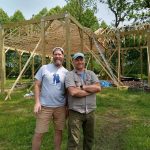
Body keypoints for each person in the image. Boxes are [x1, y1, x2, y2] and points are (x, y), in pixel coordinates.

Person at [32, 47, 68, 150]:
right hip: (44, 106)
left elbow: (67, 91)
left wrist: (67, 107)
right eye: (55, 54)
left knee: (59, 131)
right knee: (39, 132)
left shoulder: (66, 72)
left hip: (60, 107)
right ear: (53, 56)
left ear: (63, 56)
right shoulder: (44, 68)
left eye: (59, 54)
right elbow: (37, 85)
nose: (57, 56)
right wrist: (37, 102)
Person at [65, 52, 101, 150]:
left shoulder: (91, 73)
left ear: (84, 61)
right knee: (73, 140)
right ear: (73, 62)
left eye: (81, 59)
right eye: (77, 59)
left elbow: (98, 88)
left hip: (90, 111)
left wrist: (82, 87)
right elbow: (73, 92)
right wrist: (91, 91)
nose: (79, 61)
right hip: (75, 112)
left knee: (89, 138)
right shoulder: (69, 75)